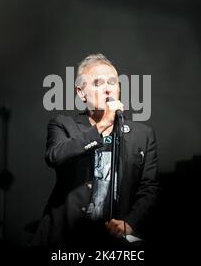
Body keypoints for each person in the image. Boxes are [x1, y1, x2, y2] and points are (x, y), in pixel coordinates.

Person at [32, 53, 160, 246]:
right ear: (81, 92)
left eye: (112, 82)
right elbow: (54, 156)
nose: (108, 89)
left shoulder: (143, 134)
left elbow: (149, 187)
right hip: (66, 237)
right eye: (98, 83)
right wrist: (101, 127)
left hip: (112, 239)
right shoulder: (63, 125)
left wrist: (130, 223)